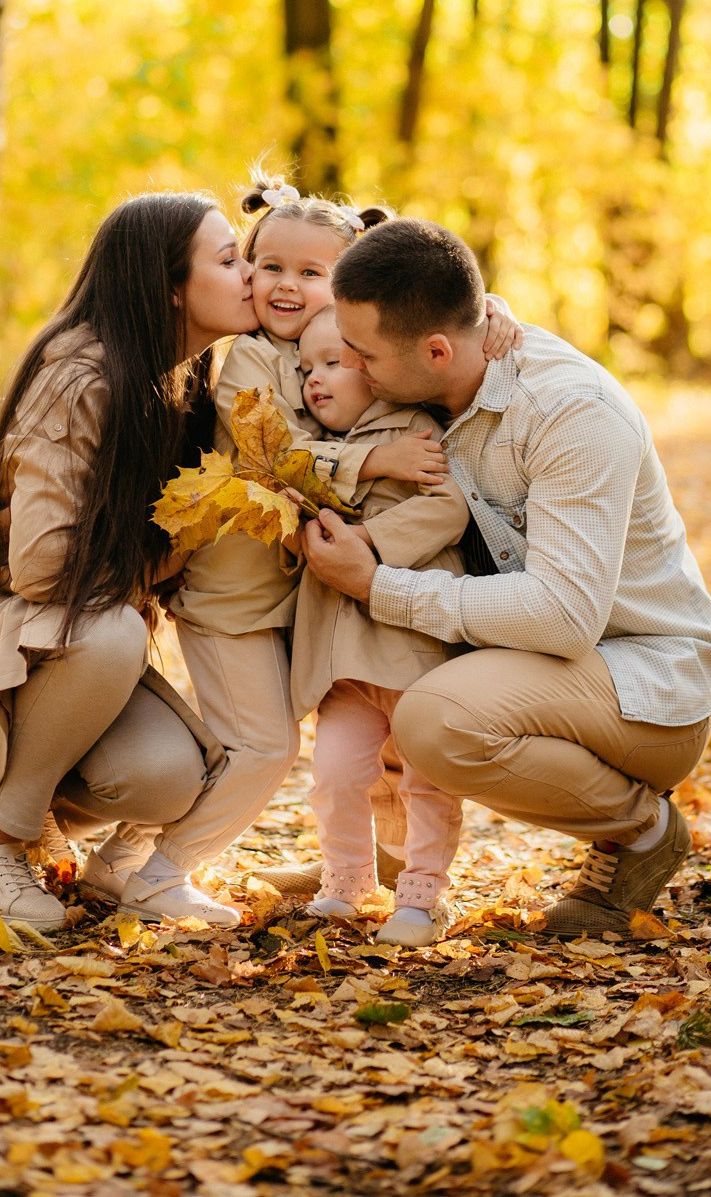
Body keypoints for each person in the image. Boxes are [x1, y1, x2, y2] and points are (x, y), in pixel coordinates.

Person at [301, 218, 711, 936]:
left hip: (641, 682)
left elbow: (562, 617)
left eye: (362, 352)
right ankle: (364, 854)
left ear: (438, 350)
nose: (349, 363)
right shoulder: (440, 365)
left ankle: (642, 830)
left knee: (436, 721)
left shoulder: (569, 415)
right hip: (543, 661)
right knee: (395, 692)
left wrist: (376, 586)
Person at [0, 192, 257, 931]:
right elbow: (43, 568)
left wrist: (493, 330)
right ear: (169, 287)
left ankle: (86, 850)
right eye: (229, 259)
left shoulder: (181, 386)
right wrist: (164, 561)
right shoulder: (78, 377)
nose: (249, 274)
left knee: (165, 777)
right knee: (114, 630)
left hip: (52, 634)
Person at [120, 182, 449, 924]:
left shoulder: (347, 359)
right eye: (269, 266)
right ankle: (161, 874)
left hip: (297, 604)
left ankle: (122, 864)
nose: (286, 286)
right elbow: (273, 457)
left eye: (311, 273)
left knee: (249, 744)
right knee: (263, 749)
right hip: (230, 599)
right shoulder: (249, 361)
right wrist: (373, 463)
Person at [289, 307, 469, 946]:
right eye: (305, 367)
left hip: (414, 652)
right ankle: (346, 878)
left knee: (427, 779)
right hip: (347, 662)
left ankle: (422, 893)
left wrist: (369, 541)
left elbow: (448, 508)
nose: (315, 379)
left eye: (333, 362)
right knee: (336, 774)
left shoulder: (418, 429)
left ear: (371, 365)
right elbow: (284, 475)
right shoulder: (306, 446)